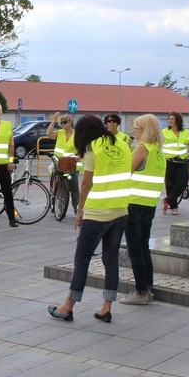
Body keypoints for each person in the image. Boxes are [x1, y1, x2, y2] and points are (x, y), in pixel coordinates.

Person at [48, 115, 131, 323]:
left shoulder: (92, 147)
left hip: (97, 212)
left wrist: (79, 211)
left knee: (82, 259)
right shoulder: (122, 144)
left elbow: (86, 183)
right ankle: (106, 307)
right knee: (111, 259)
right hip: (120, 209)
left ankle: (68, 306)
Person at [121, 113, 166, 305]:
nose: (134, 130)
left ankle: (140, 293)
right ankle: (148, 288)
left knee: (135, 249)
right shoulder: (158, 150)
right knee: (143, 246)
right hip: (149, 204)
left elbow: (126, 171)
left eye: (136, 127)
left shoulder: (142, 148)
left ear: (145, 129)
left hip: (134, 203)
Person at [45, 112, 81, 217]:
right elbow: (48, 133)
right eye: (61, 122)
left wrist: (79, 156)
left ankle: (76, 209)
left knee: (74, 187)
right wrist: (54, 120)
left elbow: (81, 149)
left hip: (71, 163)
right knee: (60, 184)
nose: (62, 124)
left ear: (71, 122)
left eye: (65, 122)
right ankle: (60, 207)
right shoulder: (60, 132)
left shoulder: (77, 135)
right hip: (58, 162)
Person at [162, 111, 189, 216]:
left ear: (178, 120)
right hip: (169, 161)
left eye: (172, 119)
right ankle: (174, 207)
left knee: (182, 183)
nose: (170, 121)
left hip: (183, 161)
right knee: (170, 185)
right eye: (169, 119)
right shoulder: (164, 132)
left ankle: (167, 200)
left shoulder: (186, 132)